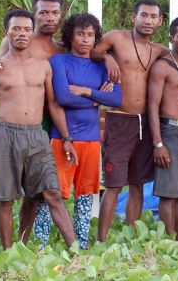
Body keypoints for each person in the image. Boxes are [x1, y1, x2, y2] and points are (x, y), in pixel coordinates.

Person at [90, 0, 178, 241]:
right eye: (144, 15)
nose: (148, 20)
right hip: (120, 118)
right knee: (115, 184)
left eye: (153, 17)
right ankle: (101, 240)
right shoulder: (117, 38)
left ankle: (131, 235)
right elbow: (94, 51)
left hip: (146, 122)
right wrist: (108, 58)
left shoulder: (160, 51)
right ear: (133, 17)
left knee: (138, 184)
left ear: (160, 22)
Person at [0, 9, 77, 249]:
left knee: (51, 192)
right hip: (6, 134)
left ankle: (76, 250)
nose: (22, 33)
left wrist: (66, 137)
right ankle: (8, 253)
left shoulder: (44, 67)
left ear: (32, 33)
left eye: (26, 29)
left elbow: (53, 103)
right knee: (4, 199)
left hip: (36, 135)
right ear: (7, 33)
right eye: (16, 29)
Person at [0, 0, 66, 249]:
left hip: (43, 124)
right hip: (13, 123)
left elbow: (87, 55)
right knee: (2, 193)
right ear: (35, 14)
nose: (49, 18)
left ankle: (22, 240)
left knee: (35, 191)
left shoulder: (61, 48)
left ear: (61, 16)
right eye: (43, 12)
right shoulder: (16, 39)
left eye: (54, 13)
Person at [33, 13, 122, 249]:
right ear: (70, 35)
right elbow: (61, 97)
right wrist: (96, 100)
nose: (85, 39)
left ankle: (80, 244)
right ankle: (39, 244)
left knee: (84, 196)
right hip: (61, 138)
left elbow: (116, 98)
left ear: (96, 38)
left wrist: (86, 92)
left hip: (91, 140)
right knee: (52, 193)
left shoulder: (102, 65)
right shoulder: (59, 62)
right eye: (80, 34)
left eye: (90, 35)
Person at [147, 16, 178, 240]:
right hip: (169, 131)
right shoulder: (162, 66)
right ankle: (168, 241)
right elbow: (152, 105)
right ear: (171, 38)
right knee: (168, 193)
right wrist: (158, 143)